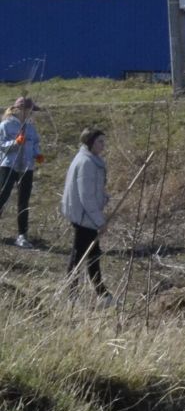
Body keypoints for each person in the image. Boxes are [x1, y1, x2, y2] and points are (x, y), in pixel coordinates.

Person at [60, 127, 109, 299]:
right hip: (84, 217)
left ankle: (101, 295)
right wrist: (99, 221)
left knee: (92, 255)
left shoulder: (91, 160)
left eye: (104, 141)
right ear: (90, 143)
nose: (103, 146)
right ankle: (73, 296)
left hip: (86, 216)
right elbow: (86, 196)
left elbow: (94, 190)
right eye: (100, 142)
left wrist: (103, 198)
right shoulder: (86, 163)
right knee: (80, 257)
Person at [0, 95, 42, 248]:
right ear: (20, 109)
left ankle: (22, 235)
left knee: (24, 201)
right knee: (2, 196)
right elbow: (2, 146)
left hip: (27, 167)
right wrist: (15, 143)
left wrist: (38, 154)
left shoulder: (30, 127)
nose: (31, 114)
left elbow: (35, 143)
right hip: (8, 166)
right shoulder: (5, 125)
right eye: (30, 110)